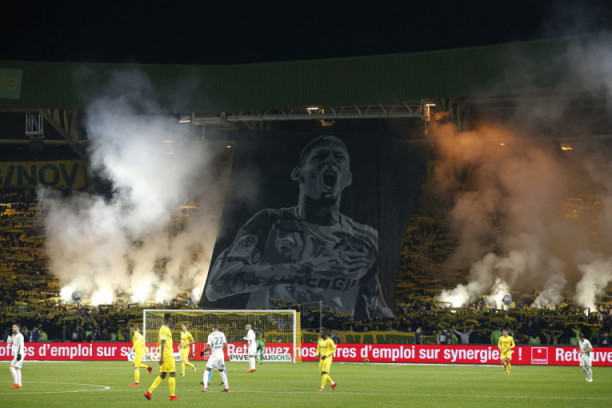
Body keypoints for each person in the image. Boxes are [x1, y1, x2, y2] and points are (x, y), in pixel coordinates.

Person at [205, 135, 394, 320]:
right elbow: (216, 286)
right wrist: (306, 268)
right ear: (298, 174)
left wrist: (398, 325)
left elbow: (376, 306)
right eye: (320, 157)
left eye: (339, 158)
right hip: (274, 334)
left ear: (348, 178)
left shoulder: (365, 238)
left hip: (330, 334)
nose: (331, 163)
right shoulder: (269, 223)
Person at [144, 313, 180, 401]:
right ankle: (172, 396)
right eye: (171, 318)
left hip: (165, 354)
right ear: (169, 319)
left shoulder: (164, 329)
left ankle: (148, 392)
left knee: (163, 375)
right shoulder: (164, 329)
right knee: (172, 373)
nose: (171, 320)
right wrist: (162, 357)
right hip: (167, 354)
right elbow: (163, 342)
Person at [200, 323, 230, 392]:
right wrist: (219, 346)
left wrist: (202, 351)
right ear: (218, 327)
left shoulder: (211, 335)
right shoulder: (222, 334)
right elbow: (226, 345)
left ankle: (205, 388)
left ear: (212, 328)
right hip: (221, 354)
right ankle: (227, 387)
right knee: (221, 371)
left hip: (215, 355)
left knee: (207, 370)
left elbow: (208, 347)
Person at [8, 323, 24, 389]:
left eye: (14, 327)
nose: (12, 328)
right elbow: (9, 342)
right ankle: (20, 385)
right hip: (17, 354)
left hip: (18, 354)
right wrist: (9, 335)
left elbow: (21, 345)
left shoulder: (20, 336)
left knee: (11, 367)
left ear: (18, 328)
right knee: (18, 369)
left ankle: (15, 383)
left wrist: (19, 354)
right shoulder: (13, 335)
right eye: (12, 327)